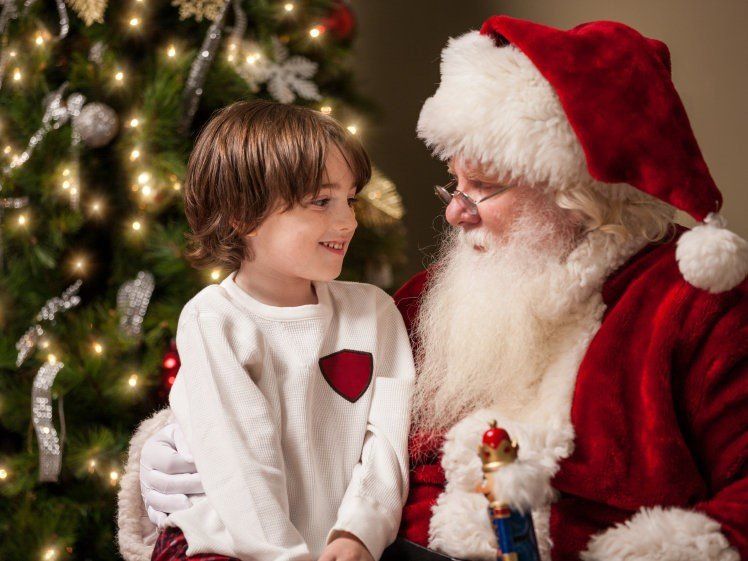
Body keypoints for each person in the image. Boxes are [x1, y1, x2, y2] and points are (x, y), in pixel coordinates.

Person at [118, 16, 747, 561]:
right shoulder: (427, 299)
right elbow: (300, 410)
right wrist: (173, 445)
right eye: (456, 184)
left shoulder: (694, 306)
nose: (455, 212)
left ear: (578, 192)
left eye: (487, 187)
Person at [122, 100, 415, 561]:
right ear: (243, 214)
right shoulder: (215, 320)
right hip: (231, 549)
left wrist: (359, 531)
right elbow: (241, 467)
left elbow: (387, 444)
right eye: (322, 201)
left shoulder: (374, 313)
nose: (348, 221)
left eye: (350, 198)